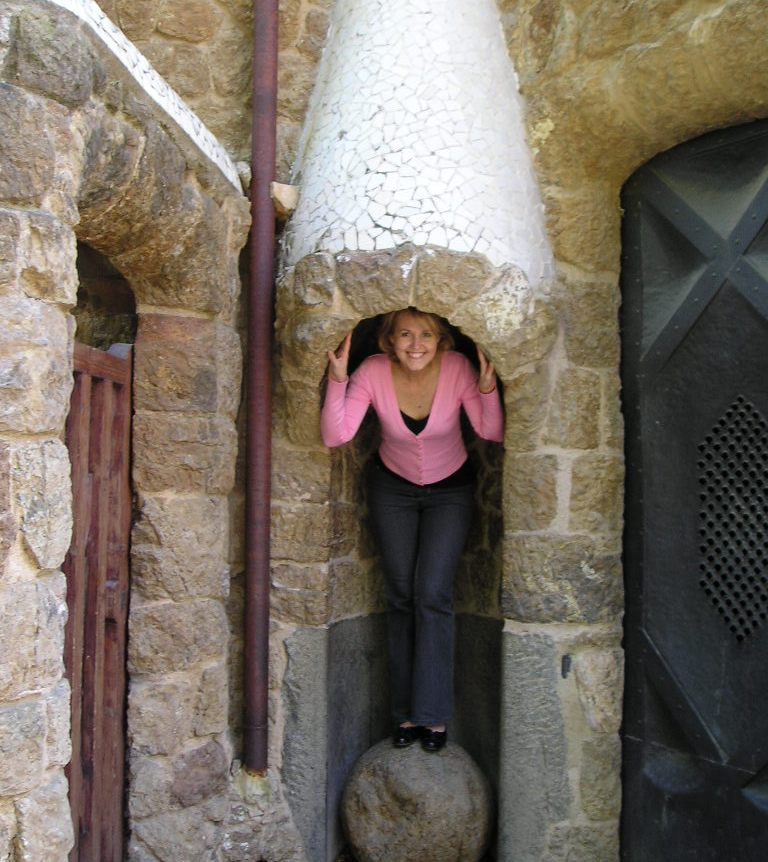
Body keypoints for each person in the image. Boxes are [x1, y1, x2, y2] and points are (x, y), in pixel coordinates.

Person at [321, 307, 503, 752]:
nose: (415, 344)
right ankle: (405, 713)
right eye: (404, 334)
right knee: (402, 596)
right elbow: (335, 435)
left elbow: (490, 430)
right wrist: (338, 379)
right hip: (393, 491)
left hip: (450, 492)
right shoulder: (373, 371)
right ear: (389, 340)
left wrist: (486, 388)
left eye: (425, 335)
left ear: (441, 340)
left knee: (433, 594)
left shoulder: (457, 368)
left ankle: (433, 715)